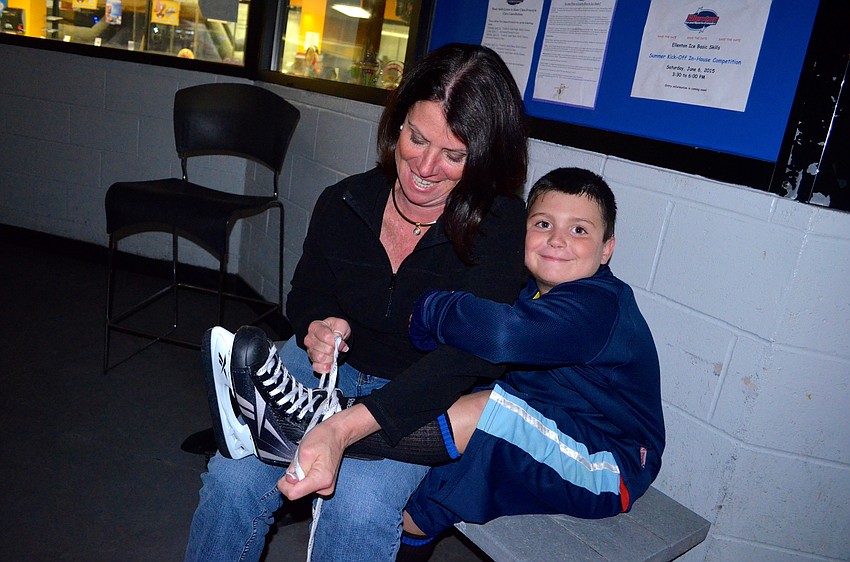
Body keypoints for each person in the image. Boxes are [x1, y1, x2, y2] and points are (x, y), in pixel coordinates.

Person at [184, 42, 529, 561]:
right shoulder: (344, 201)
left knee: (360, 508)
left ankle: (307, 432)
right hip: (322, 376)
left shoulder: (501, 228)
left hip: (419, 393)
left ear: (483, 159)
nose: (425, 166)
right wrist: (316, 327)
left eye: (454, 155)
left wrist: (342, 429)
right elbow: (305, 294)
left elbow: (463, 363)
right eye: (416, 137)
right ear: (398, 123)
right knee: (230, 482)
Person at [232, 167, 665, 559]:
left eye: (580, 231)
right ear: (524, 235)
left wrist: (426, 310)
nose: (557, 239)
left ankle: (311, 425)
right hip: (547, 426)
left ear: (607, 249)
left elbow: (500, 335)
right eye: (544, 224)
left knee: (486, 407)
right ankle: (314, 432)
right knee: (418, 508)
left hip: (609, 465)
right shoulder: (532, 292)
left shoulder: (599, 305)